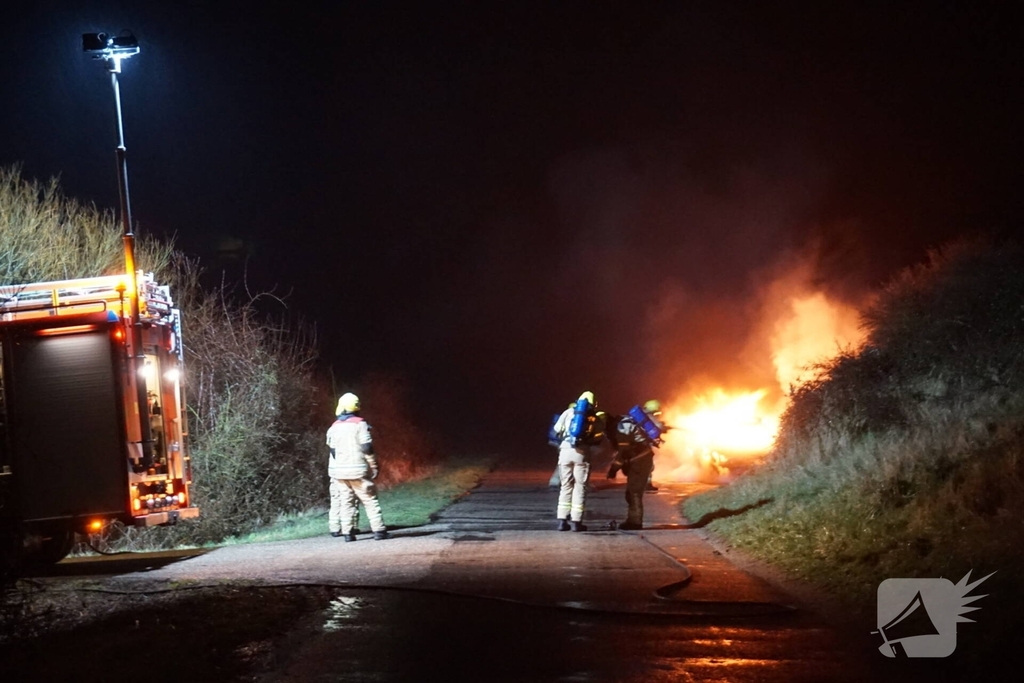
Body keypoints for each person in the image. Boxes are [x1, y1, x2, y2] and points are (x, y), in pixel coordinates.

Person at [326, 392, 388, 541]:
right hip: (358, 471)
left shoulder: (334, 426)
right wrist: (374, 465)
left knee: (346, 502)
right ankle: (379, 531)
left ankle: (348, 534)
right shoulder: (360, 424)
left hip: (340, 473)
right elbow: (367, 447)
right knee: (369, 500)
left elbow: (333, 450)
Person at [607, 399, 666, 530]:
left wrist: (614, 468)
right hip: (640, 459)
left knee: (634, 493)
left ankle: (635, 523)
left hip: (640, 461)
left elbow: (623, 451)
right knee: (632, 492)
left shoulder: (621, 428)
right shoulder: (623, 423)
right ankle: (632, 520)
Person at [552, 391, 605, 532]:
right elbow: (598, 438)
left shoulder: (568, 412)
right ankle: (577, 522)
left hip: (565, 451)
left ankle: (562, 522)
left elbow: (556, 429)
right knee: (580, 487)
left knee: (565, 486)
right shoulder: (595, 418)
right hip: (582, 453)